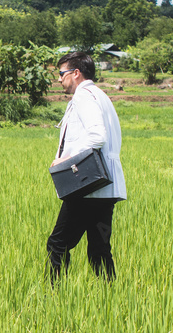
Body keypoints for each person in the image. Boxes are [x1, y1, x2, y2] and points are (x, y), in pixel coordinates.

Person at [47, 52, 126, 282]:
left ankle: (53, 297)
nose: (59, 79)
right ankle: (110, 298)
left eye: (62, 74)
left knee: (57, 244)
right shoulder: (100, 95)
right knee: (99, 249)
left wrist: (66, 159)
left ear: (76, 73)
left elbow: (96, 136)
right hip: (104, 185)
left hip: (86, 184)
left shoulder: (83, 96)